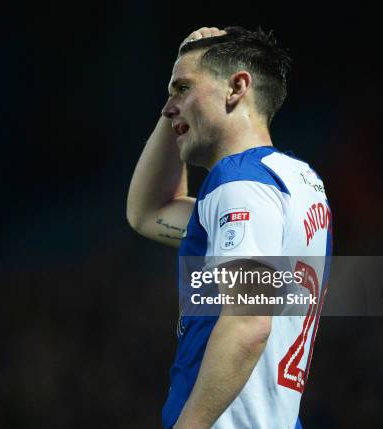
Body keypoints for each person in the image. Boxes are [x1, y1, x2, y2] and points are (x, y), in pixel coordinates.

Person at [126, 26, 333, 429]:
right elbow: (148, 212)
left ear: (237, 87)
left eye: (183, 88)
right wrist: (176, 110)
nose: (170, 107)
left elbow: (248, 321)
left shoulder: (239, 184)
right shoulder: (297, 181)